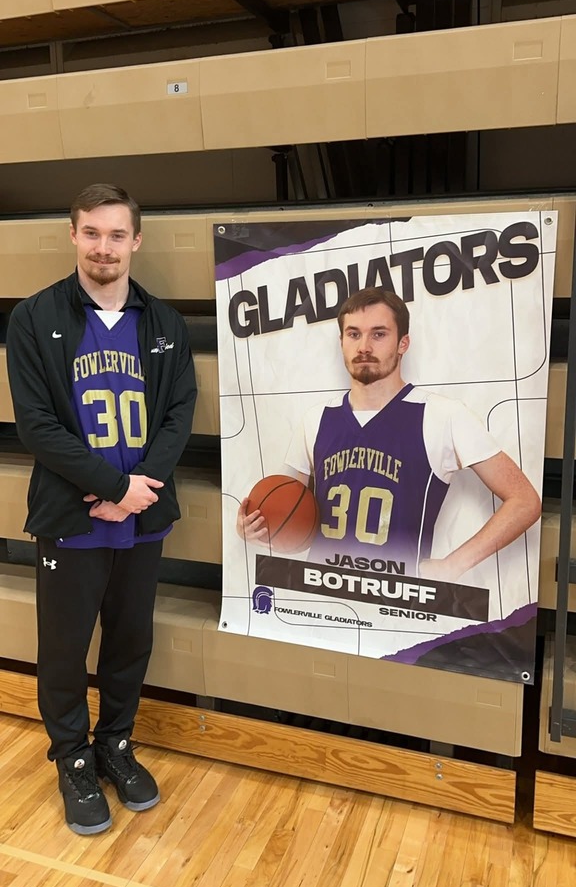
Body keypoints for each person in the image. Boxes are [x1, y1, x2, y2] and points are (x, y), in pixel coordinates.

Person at [6, 184, 196, 836]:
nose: (104, 247)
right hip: (72, 515)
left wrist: (137, 487)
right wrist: (110, 488)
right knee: (63, 649)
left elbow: (178, 414)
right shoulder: (33, 318)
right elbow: (34, 425)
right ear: (73, 235)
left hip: (144, 515)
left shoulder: (165, 324)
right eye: (92, 233)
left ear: (135, 242)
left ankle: (115, 744)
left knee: (129, 641)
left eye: (117, 235)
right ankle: (72, 757)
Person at [237, 287, 541, 580]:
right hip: (324, 596)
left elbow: (524, 501)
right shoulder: (316, 418)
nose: (364, 346)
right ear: (341, 341)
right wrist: (251, 526)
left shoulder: (443, 415)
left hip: (400, 608)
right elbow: (282, 504)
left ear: (403, 343)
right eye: (353, 334)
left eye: (378, 334)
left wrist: (453, 565)